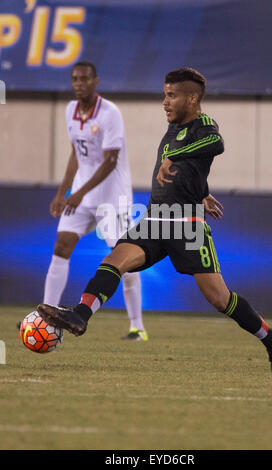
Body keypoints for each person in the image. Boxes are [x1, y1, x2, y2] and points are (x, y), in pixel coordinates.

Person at [37, 67, 272, 372]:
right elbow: (192, 170)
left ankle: (271, 338)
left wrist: (177, 160)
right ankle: (80, 314)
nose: (165, 102)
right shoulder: (173, 127)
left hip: (187, 225)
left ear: (192, 98)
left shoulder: (203, 124)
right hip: (156, 218)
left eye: (172, 95)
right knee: (114, 259)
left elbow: (216, 145)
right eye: (164, 95)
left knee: (219, 298)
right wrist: (202, 190)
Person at [42, 61, 147, 341]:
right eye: (74, 79)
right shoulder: (69, 110)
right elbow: (76, 153)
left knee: (124, 260)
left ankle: (137, 326)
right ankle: (45, 315)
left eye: (84, 78)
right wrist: (62, 192)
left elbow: (110, 161)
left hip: (113, 198)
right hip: (81, 195)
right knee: (61, 245)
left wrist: (76, 194)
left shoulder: (110, 113)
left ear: (95, 81)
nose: (79, 83)